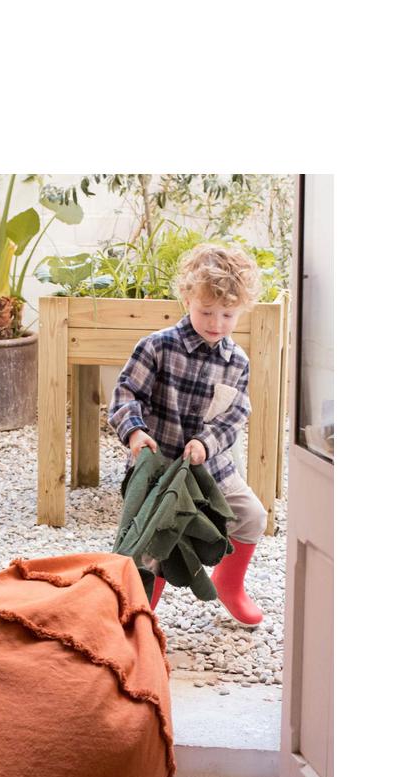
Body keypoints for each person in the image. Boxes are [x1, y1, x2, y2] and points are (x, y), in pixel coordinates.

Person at [108, 241, 268, 627]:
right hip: (163, 469)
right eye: (206, 311)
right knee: (153, 541)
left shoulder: (238, 362)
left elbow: (234, 416)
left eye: (228, 315)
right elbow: (126, 393)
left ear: (241, 310)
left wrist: (206, 443)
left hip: (212, 470)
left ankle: (229, 585)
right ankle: (140, 613)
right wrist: (135, 433)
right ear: (186, 298)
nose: (216, 323)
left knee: (252, 516)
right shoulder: (158, 347)